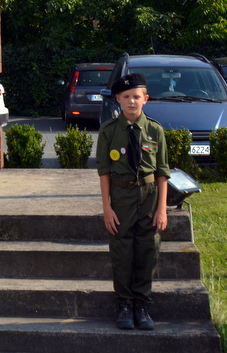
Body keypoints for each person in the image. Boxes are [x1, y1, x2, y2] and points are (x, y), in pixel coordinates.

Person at [96, 72, 170, 331]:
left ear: (145, 99)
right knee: (121, 250)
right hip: (121, 197)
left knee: (148, 249)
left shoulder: (155, 130)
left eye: (136, 97)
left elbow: (162, 172)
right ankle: (125, 303)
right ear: (118, 99)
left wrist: (162, 209)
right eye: (126, 97)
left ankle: (142, 303)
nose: (131, 102)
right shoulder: (108, 131)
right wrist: (106, 208)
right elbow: (104, 172)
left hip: (149, 197)